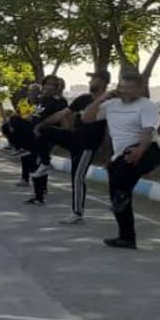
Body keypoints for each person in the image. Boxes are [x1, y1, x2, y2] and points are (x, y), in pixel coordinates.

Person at [82, 71, 160, 249]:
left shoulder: (147, 106)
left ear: (140, 89)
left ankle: (122, 196)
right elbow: (86, 118)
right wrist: (101, 98)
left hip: (149, 149)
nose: (126, 91)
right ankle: (126, 238)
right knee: (116, 191)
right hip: (122, 154)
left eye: (130, 88)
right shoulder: (111, 105)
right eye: (123, 87)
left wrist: (140, 150)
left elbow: (148, 131)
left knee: (120, 174)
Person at [43, 70, 109, 225]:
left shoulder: (109, 103)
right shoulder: (83, 99)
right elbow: (63, 114)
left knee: (78, 177)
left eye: (93, 79)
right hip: (74, 140)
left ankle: (77, 213)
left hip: (87, 146)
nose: (90, 82)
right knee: (44, 130)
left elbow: (109, 130)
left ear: (103, 82)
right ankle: (44, 162)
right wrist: (42, 124)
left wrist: (108, 154)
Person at [19, 75, 68, 205]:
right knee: (35, 161)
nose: (48, 87)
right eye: (46, 84)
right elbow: (35, 114)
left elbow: (62, 118)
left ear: (57, 87)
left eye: (52, 85)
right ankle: (39, 192)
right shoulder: (42, 99)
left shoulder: (61, 102)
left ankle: (40, 193)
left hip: (47, 134)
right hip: (35, 134)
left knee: (40, 160)